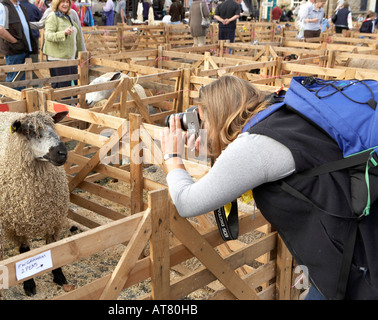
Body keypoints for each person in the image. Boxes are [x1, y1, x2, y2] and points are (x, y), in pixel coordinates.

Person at [161, 75, 378, 300]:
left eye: (204, 121)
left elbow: (186, 202)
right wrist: (213, 145)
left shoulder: (255, 146)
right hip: (356, 240)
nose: (201, 128)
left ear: (219, 115)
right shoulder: (280, 110)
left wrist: (172, 156)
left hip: (356, 266)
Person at [0, 0, 38, 82]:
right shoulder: (2, 6)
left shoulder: (19, 6)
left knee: (23, 80)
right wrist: (15, 42)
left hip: (24, 49)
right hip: (14, 51)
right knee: (14, 80)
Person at [43, 0, 83, 88]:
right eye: (62, 2)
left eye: (67, 2)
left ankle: (70, 102)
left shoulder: (68, 17)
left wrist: (81, 54)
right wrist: (63, 33)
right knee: (63, 87)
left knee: (72, 85)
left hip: (70, 57)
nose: (65, 4)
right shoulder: (52, 16)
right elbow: (48, 35)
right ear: (57, 3)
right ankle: (63, 102)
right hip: (58, 58)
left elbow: (77, 38)